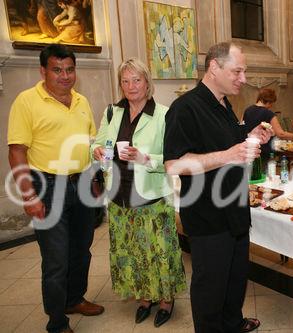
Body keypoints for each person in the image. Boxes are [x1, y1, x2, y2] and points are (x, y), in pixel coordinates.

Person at [164, 42, 272, 333]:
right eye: (237, 71)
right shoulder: (185, 108)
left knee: (235, 280)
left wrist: (248, 136)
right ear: (214, 67)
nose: (243, 78)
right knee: (210, 289)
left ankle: (233, 323)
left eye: (244, 71)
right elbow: (174, 165)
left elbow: (224, 142)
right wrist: (230, 155)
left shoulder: (224, 104)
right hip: (208, 217)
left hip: (234, 211)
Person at [7, 44, 104, 333]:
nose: (65, 76)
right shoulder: (26, 101)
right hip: (47, 186)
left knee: (82, 250)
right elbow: (16, 151)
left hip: (82, 184)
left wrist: (96, 180)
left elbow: (90, 144)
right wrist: (29, 195)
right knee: (56, 258)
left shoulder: (81, 101)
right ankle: (57, 321)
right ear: (43, 71)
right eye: (57, 69)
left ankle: (74, 299)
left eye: (70, 69)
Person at [91, 58, 186, 328]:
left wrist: (145, 158)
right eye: (125, 80)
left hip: (152, 196)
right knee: (132, 252)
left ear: (147, 83)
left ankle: (166, 300)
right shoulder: (112, 112)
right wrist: (96, 152)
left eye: (137, 80)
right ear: (120, 84)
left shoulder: (164, 114)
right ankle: (144, 297)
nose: (131, 86)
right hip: (119, 196)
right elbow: (97, 144)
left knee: (160, 252)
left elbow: (173, 157)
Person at [243, 88, 293, 161]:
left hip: (250, 151)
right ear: (269, 101)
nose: (271, 106)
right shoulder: (268, 113)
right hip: (264, 153)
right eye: (272, 103)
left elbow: (242, 130)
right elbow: (281, 134)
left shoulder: (247, 110)